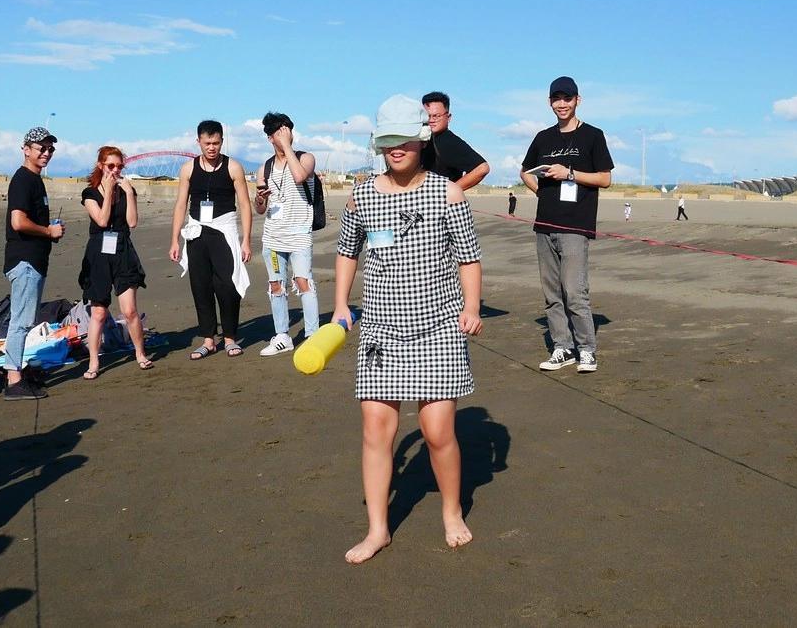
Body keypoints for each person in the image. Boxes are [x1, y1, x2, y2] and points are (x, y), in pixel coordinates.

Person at [333, 94, 483, 564]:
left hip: (438, 326)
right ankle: (378, 529)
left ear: (421, 140)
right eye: (386, 142)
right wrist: (340, 304)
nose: (395, 149)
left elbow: (468, 256)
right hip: (380, 327)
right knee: (376, 429)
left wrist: (472, 307)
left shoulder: (448, 192)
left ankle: (452, 512)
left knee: (437, 430)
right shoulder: (362, 194)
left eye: (403, 140)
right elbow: (347, 252)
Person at [520, 76, 613, 374]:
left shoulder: (593, 136)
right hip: (544, 224)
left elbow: (605, 179)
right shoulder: (543, 137)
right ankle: (562, 347)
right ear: (550, 102)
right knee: (551, 293)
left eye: (567, 98)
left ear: (577, 100)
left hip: (576, 225)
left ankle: (587, 350)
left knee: (574, 291)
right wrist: (541, 191)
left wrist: (570, 173)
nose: (562, 104)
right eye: (556, 99)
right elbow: (524, 171)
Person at [169, 120, 252, 360]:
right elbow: (181, 204)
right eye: (207, 143)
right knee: (200, 286)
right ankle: (208, 339)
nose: (212, 148)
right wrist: (175, 240)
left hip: (223, 232)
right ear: (199, 142)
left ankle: (229, 338)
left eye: (216, 143)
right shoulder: (188, 169)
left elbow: (245, 205)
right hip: (196, 232)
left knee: (227, 286)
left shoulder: (233, 167)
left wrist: (246, 240)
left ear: (222, 142)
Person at [78, 146, 153, 379]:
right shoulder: (90, 193)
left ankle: (140, 353)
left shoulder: (125, 189)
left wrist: (129, 193)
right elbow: (101, 220)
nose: (115, 170)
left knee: (129, 310)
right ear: (101, 165)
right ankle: (93, 362)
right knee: (98, 312)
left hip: (122, 250)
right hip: (99, 252)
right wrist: (108, 191)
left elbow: (132, 222)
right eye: (111, 166)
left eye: (120, 166)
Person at [3, 126, 65, 400]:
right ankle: (13, 379)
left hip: (34, 260)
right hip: (25, 260)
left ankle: (15, 371)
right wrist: (47, 231)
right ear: (26, 149)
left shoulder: (35, 180)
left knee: (24, 320)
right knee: (21, 321)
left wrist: (50, 229)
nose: (47, 152)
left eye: (50, 148)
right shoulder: (23, 179)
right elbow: (18, 222)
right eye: (41, 148)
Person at [253, 112, 319, 356]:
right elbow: (259, 210)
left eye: (288, 130)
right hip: (272, 238)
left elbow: (301, 176)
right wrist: (259, 199)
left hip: (299, 234)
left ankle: (313, 334)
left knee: (304, 282)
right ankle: (282, 335)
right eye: (279, 132)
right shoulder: (265, 168)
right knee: (276, 285)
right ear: (270, 138)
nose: (285, 135)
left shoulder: (306, 158)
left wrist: (288, 148)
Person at [420, 91, 490, 190]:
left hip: (441, 202)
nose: (431, 120)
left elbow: (482, 168)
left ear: (448, 117)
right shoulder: (423, 139)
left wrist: (450, 192)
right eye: (427, 116)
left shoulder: (449, 141)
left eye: (436, 116)